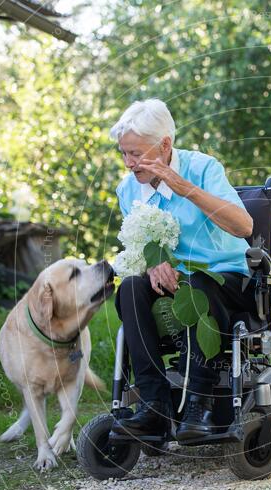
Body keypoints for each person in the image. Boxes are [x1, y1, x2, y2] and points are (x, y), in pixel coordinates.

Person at [110, 98, 257, 440]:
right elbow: (140, 246)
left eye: (137, 154)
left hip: (224, 276)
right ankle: (154, 407)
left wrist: (184, 189)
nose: (130, 163)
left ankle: (199, 405)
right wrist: (152, 265)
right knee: (130, 288)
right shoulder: (128, 189)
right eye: (124, 154)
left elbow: (244, 226)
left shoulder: (204, 168)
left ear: (164, 145)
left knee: (199, 286)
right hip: (171, 279)